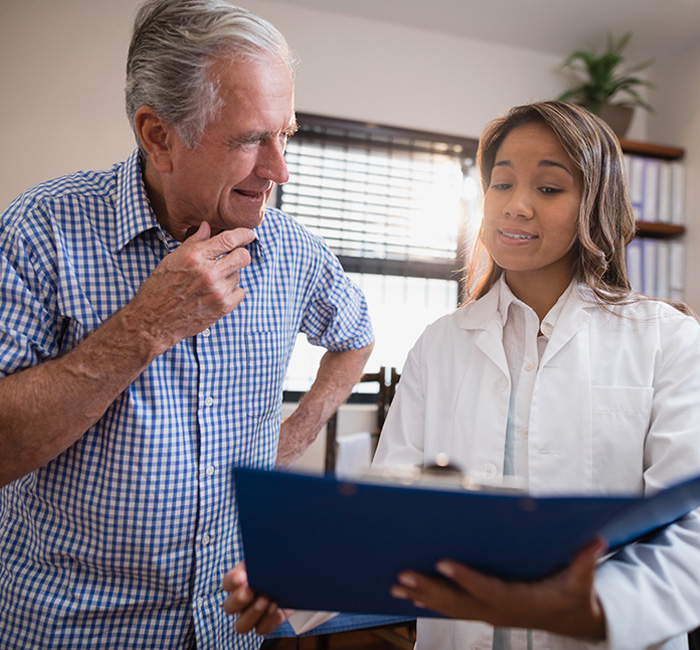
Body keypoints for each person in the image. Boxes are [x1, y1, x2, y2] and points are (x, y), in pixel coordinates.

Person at [224, 101, 700, 649]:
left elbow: (686, 532)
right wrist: (295, 582)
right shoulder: (440, 344)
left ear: (596, 203)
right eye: (501, 184)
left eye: (549, 189)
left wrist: (591, 609)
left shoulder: (666, 339)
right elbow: (393, 519)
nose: (515, 206)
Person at [0, 1, 373, 648]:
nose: (279, 169)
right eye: (251, 139)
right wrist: (145, 326)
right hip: (72, 627)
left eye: (286, 134)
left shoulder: (295, 251)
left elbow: (355, 335)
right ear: (158, 136)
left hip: (230, 627)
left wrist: (294, 436)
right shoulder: (39, 230)